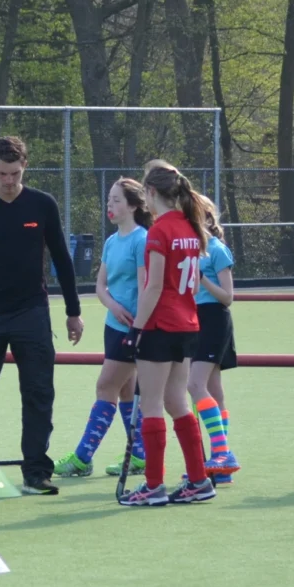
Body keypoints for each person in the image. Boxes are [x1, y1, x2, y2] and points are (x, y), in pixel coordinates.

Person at [0, 135, 84, 495]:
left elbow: (62, 258)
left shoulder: (42, 204)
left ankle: (36, 471)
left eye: (14, 173)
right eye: (2, 174)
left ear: (24, 166)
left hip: (32, 311)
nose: (9, 181)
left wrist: (73, 312)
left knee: (38, 390)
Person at [117, 160, 215, 508]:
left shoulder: (159, 231)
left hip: (160, 326)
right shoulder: (190, 226)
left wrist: (136, 329)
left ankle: (154, 485)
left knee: (152, 404)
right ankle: (199, 480)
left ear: (150, 192)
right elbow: (186, 284)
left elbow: (154, 286)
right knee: (177, 401)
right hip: (187, 325)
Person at [56, 178, 149, 478]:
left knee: (105, 386)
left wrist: (136, 322)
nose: (110, 205)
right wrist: (113, 306)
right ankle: (140, 456)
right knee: (125, 390)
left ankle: (82, 458)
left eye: (117, 200)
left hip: (133, 329)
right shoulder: (111, 242)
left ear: (133, 206)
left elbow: (146, 287)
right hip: (113, 327)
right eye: (109, 199)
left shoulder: (142, 240)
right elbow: (101, 286)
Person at [189, 196, 238, 484]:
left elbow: (227, 297)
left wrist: (203, 279)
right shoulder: (188, 249)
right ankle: (221, 464)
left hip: (214, 319)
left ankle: (221, 454)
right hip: (193, 320)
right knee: (213, 390)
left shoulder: (217, 250)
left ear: (207, 219)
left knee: (194, 385)